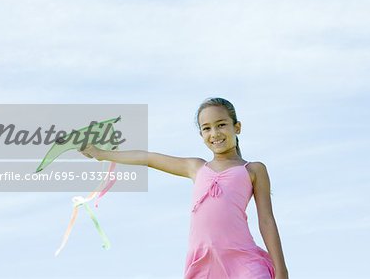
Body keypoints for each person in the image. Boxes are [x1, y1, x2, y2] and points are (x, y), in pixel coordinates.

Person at [79, 97, 289, 279]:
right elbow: (147, 157)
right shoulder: (195, 167)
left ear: (237, 127)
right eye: (206, 128)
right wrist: (101, 154)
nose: (214, 133)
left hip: (242, 258)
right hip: (203, 261)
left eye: (221, 124)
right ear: (201, 135)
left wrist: (282, 270)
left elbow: (266, 220)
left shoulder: (253, 169)